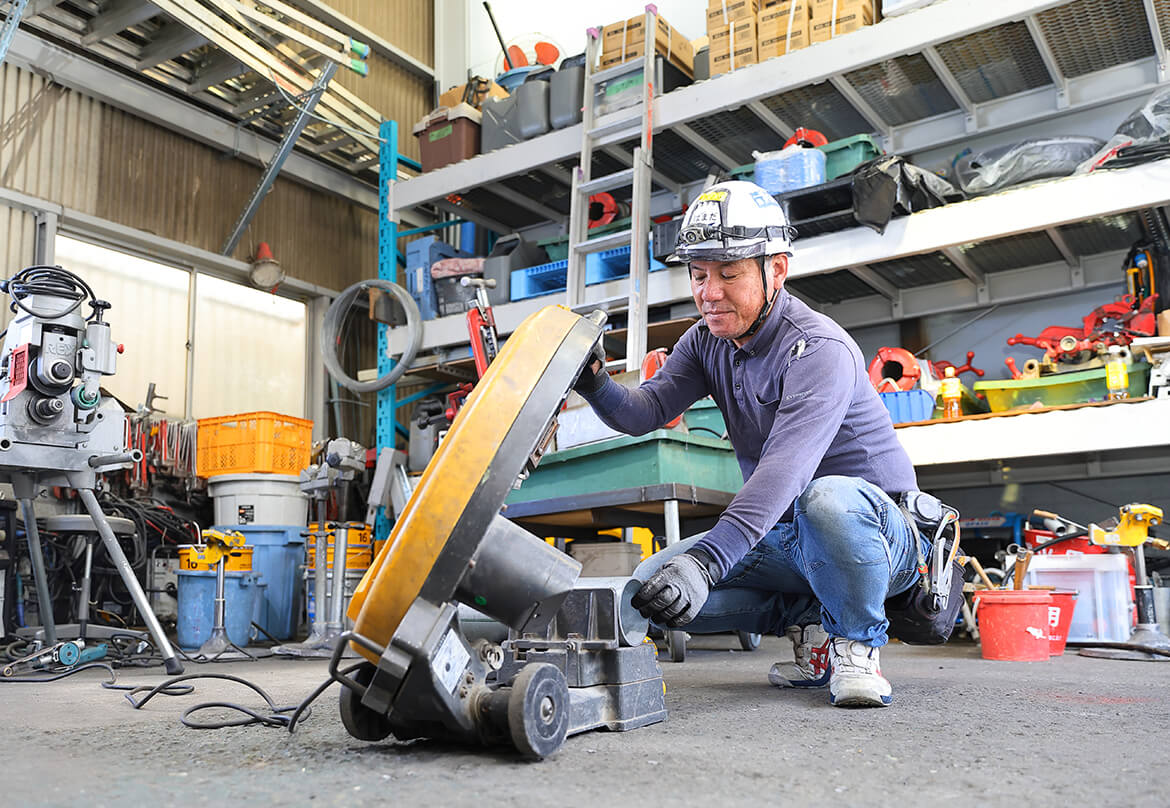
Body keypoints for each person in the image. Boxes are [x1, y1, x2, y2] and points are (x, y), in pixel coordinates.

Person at [573, 180, 926, 708]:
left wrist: (708, 561)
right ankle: (814, 625)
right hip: (793, 539)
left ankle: (858, 644)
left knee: (825, 500)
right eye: (698, 274)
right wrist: (593, 380)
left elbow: (785, 471)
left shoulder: (819, 348)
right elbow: (644, 411)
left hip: (882, 537)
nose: (708, 292)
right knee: (653, 586)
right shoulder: (707, 340)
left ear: (776, 269)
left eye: (729, 273)